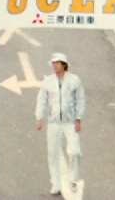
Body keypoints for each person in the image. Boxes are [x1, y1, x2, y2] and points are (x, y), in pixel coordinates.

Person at [35, 52, 85, 196]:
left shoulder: (74, 81)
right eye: (53, 63)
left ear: (64, 65)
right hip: (54, 122)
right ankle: (56, 183)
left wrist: (78, 118)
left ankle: (73, 179)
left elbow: (80, 100)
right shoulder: (48, 82)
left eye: (57, 63)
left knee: (75, 151)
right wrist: (39, 117)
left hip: (70, 122)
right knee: (53, 152)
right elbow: (42, 100)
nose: (54, 66)